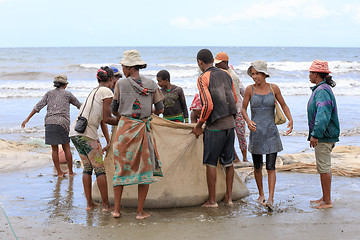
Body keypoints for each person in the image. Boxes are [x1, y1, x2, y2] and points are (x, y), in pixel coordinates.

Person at [111, 50, 164, 219]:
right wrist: (147, 111)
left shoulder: (120, 84)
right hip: (143, 130)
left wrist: (126, 114)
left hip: (124, 131)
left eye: (123, 66)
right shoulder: (152, 84)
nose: (122, 69)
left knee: (120, 170)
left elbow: (114, 109)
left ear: (129, 67)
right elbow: (161, 108)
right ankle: (140, 212)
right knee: (144, 171)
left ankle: (117, 210)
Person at [242, 60, 293, 209]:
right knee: (257, 166)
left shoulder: (274, 88)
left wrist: (290, 119)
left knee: (271, 167)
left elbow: (283, 104)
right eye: (252, 74)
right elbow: (243, 109)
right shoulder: (249, 90)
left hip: (271, 132)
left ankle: (270, 198)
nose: (254, 76)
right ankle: (261, 194)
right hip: (256, 132)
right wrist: (248, 121)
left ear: (264, 74)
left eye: (257, 73)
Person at [191, 49, 238, 207]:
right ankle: (229, 198)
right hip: (230, 124)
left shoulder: (203, 77)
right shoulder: (226, 74)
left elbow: (208, 105)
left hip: (215, 127)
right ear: (213, 60)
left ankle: (212, 201)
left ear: (200, 63)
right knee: (228, 162)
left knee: (211, 162)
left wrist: (199, 125)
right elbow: (234, 98)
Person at [69, 66, 118, 211]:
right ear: (110, 79)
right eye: (114, 79)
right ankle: (105, 206)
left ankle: (90, 204)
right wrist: (123, 120)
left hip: (75, 133)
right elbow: (108, 118)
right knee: (100, 170)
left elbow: (103, 120)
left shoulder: (94, 92)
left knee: (87, 169)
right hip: (87, 135)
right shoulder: (107, 91)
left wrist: (108, 141)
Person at [21, 74, 81, 177]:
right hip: (63, 123)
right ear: (65, 85)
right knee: (66, 147)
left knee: (54, 149)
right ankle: (71, 172)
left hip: (50, 123)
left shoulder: (49, 94)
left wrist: (27, 119)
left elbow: (37, 107)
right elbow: (79, 106)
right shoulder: (68, 94)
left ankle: (59, 173)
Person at [307, 60, 339, 209]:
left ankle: (327, 201)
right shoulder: (322, 89)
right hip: (324, 135)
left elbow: (323, 115)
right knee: (324, 167)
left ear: (316, 74)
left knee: (324, 168)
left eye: (310, 72)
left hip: (324, 136)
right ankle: (324, 197)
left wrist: (315, 135)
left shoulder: (321, 91)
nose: (309, 75)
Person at [214, 52, 248, 162]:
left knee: (239, 135)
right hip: (232, 109)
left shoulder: (230, 76)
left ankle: (242, 158)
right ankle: (239, 158)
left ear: (225, 62)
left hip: (235, 110)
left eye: (218, 63)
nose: (216, 66)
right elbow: (242, 91)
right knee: (233, 135)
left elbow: (234, 95)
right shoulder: (225, 74)